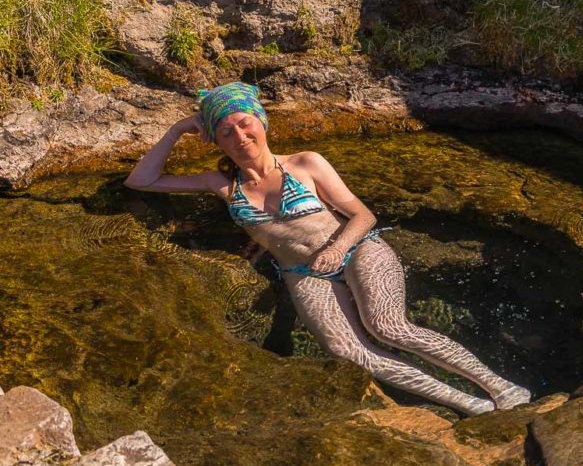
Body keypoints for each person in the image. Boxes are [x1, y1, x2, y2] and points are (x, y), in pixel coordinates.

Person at [124, 81, 533, 415]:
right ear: (215, 140)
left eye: (245, 123)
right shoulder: (222, 185)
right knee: (346, 350)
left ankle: (500, 386)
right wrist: (177, 131)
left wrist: (338, 249)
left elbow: (363, 215)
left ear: (262, 122)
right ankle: (466, 403)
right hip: (302, 274)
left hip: (357, 249)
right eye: (225, 131)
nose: (240, 136)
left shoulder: (305, 162)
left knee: (387, 326)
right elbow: (140, 181)